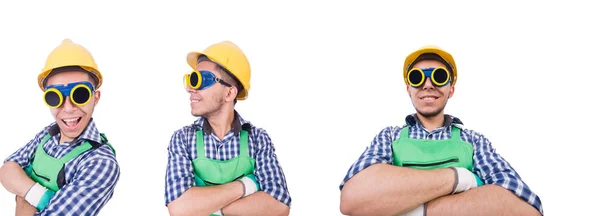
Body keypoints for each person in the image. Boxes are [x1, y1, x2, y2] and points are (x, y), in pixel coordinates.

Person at [338, 46, 543, 216]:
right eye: (417, 77)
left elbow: (526, 208)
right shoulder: (389, 137)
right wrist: (462, 178)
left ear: (451, 89)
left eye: (439, 76)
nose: (428, 85)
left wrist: (407, 208)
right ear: (408, 89)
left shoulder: (473, 141)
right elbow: (352, 199)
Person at [164, 41, 292, 216]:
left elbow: (279, 205)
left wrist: (204, 207)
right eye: (190, 79)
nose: (189, 88)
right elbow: (179, 208)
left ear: (229, 93)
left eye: (199, 80)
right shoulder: (183, 139)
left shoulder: (258, 139)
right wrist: (248, 185)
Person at [0, 39, 120, 215]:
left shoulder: (100, 162)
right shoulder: (47, 134)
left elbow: (14, 178)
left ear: (96, 97)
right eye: (55, 97)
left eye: (80, 94)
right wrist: (43, 198)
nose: (69, 107)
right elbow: (7, 170)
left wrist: (22, 193)